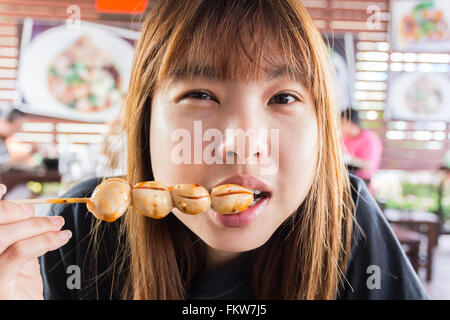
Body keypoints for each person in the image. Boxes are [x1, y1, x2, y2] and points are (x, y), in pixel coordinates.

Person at [0, 0, 427, 300]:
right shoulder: (75, 230)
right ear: (147, 120)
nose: (241, 146)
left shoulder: (347, 222)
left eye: (283, 99)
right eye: (200, 94)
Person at [340, 108, 383, 187]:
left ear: (350, 123)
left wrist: (349, 158)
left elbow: (368, 166)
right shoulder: (344, 137)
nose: (339, 126)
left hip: (362, 183)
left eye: (342, 123)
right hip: (345, 179)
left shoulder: (369, 139)